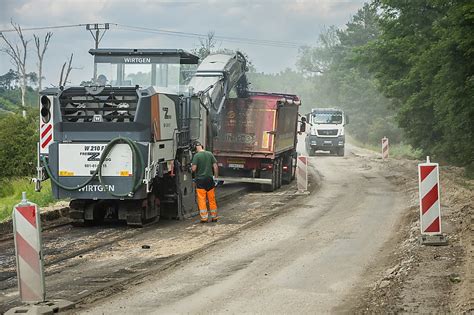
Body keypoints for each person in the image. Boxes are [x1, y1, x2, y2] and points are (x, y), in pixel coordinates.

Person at [191, 141, 219, 223]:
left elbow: (193, 169)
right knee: (211, 198)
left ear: (195, 148)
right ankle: (214, 216)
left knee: (202, 199)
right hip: (210, 179)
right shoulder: (209, 154)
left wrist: (191, 167)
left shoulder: (196, 156)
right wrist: (216, 177)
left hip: (200, 180)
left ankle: (204, 218)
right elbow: (215, 166)